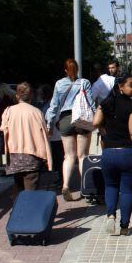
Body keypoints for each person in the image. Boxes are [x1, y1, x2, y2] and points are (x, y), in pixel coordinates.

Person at [92, 73, 132, 236]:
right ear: (120, 86)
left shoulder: (107, 103)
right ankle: (124, 226)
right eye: (131, 85)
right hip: (126, 152)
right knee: (127, 190)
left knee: (111, 186)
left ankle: (111, 214)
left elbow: (95, 122)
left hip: (108, 153)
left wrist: (102, 108)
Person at [45, 59, 96, 202]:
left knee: (68, 156)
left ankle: (66, 185)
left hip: (65, 119)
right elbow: (91, 103)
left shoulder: (59, 84)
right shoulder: (84, 82)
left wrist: (49, 123)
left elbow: (53, 105)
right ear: (78, 69)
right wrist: (98, 121)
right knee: (82, 156)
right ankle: (85, 187)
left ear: (65, 70)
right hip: (81, 119)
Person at [0, 82, 52, 196]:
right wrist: (48, 159)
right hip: (33, 155)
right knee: (31, 190)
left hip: (15, 155)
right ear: (31, 95)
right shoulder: (37, 112)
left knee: (18, 187)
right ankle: (29, 211)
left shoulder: (8, 111)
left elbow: (3, 129)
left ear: (17, 95)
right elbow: (44, 136)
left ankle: (18, 211)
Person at [37, 84, 64, 187]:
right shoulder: (48, 104)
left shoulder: (51, 105)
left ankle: (61, 180)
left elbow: (50, 119)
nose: (39, 96)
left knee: (58, 159)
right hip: (54, 136)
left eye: (40, 94)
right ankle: (60, 179)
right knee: (58, 159)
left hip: (54, 136)